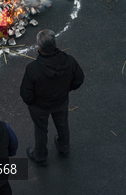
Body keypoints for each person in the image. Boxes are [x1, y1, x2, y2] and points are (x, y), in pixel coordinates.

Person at [20, 29, 84, 166]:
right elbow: (79, 79)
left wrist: (33, 103)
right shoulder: (69, 61)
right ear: (55, 44)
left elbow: (26, 94)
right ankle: (64, 148)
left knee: (41, 130)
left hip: (40, 107)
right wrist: (67, 89)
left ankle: (41, 157)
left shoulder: (33, 69)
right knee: (62, 125)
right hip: (60, 102)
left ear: (39, 48)